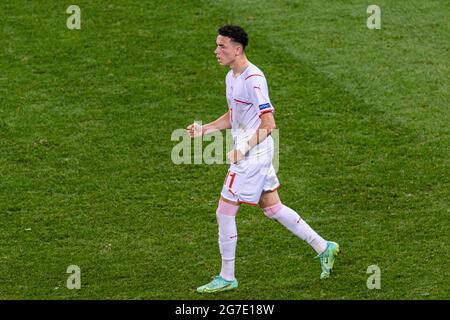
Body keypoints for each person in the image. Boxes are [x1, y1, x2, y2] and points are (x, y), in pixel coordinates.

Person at [187, 25, 340, 293]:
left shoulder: (253, 79)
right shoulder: (231, 77)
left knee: (224, 211)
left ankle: (227, 276)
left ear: (238, 49)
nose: (216, 50)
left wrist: (241, 149)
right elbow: (235, 115)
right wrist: (205, 129)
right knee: (271, 206)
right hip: (253, 150)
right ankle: (323, 246)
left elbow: (269, 123)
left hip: (253, 152)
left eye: (221, 46)